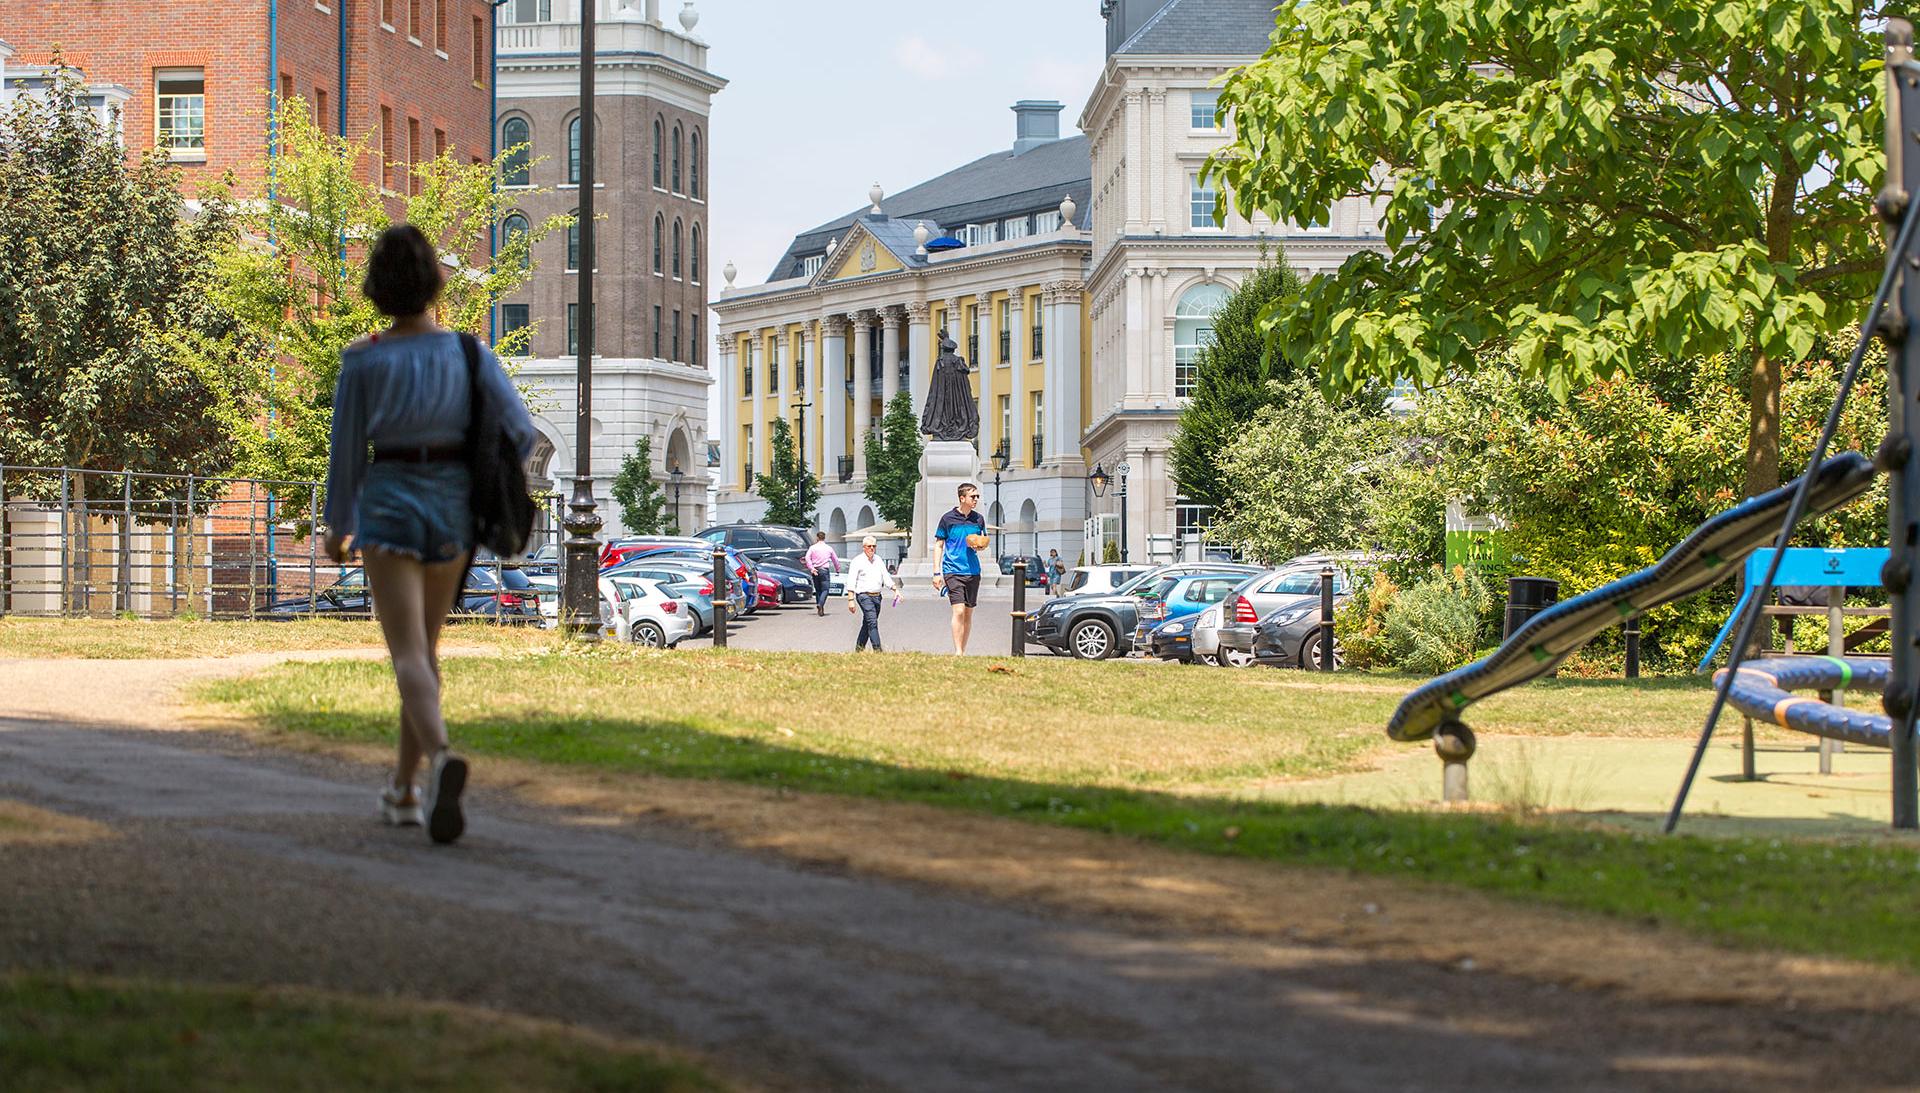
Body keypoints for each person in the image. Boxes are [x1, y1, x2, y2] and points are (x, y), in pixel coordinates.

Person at [322, 223, 534, 846]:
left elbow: (345, 455)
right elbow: (520, 431)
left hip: (388, 504)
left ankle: (439, 760)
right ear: (435, 283)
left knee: (408, 655)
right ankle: (404, 790)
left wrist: (339, 525)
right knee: (427, 651)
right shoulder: (470, 354)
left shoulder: (363, 360)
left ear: (376, 290)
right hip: (452, 511)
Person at [932, 482, 988, 654]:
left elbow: (983, 540)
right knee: (959, 610)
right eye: (973, 496)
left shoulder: (978, 519)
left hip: (973, 571)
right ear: (962, 498)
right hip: (952, 570)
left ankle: (962, 650)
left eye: (977, 496)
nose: (976, 499)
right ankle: (957, 652)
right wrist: (936, 572)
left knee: (968, 613)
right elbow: (939, 545)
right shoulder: (947, 519)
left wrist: (980, 546)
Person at [845, 534, 901, 651]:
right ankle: (878, 650)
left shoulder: (878, 560)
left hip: (877, 596)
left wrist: (895, 590)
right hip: (864, 596)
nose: (871, 549)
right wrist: (851, 600)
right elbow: (851, 581)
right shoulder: (857, 561)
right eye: (869, 546)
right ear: (864, 547)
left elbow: (886, 577)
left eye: (874, 546)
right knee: (872, 622)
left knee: (867, 623)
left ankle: (859, 648)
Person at [804, 530, 839, 616]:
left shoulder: (812, 548)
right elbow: (835, 560)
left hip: (815, 570)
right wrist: (837, 569)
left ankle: (820, 608)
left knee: (818, 590)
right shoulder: (829, 548)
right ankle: (821, 604)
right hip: (824, 570)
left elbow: (807, 558)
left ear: (817, 538)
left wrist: (811, 568)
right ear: (824, 538)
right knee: (825, 589)